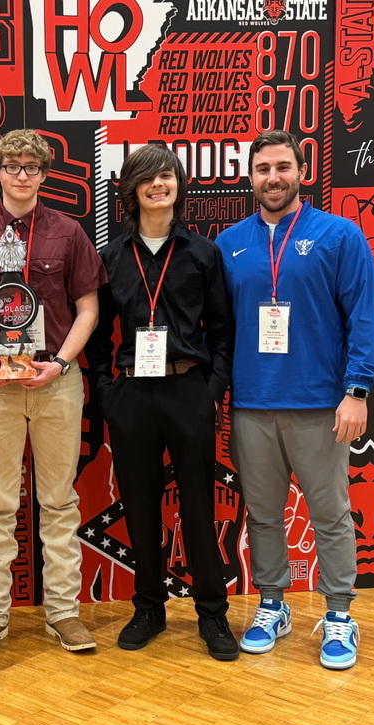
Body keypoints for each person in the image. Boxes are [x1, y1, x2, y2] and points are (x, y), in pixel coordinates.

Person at [215, 130, 374, 670]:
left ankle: (339, 613)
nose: (274, 177)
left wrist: (356, 391)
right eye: (264, 168)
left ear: (301, 171)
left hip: (320, 402)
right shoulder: (228, 243)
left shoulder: (339, 235)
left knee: (330, 514)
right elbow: (215, 328)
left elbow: (367, 316)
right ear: (249, 177)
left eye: (283, 166)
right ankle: (273, 604)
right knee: (265, 515)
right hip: (251, 402)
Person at [0, 129, 107, 657]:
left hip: (56, 383)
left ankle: (63, 613)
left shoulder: (69, 233)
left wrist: (62, 362)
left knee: (59, 502)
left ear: (44, 175)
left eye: (32, 167)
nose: (22, 175)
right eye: (12, 166)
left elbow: (88, 308)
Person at [84, 144, 237, 660]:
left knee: (198, 504)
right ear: (131, 190)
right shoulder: (110, 257)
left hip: (187, 389)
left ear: (178, 185)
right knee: (140, 506)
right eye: (147, 178)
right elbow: (98, 334)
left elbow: (222, 330)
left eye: (167, 177)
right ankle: (148, 606)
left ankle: (212, 613)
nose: (158, 185)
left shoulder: (202, 252)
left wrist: (210, 390)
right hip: (131, 393)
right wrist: (108, 390)